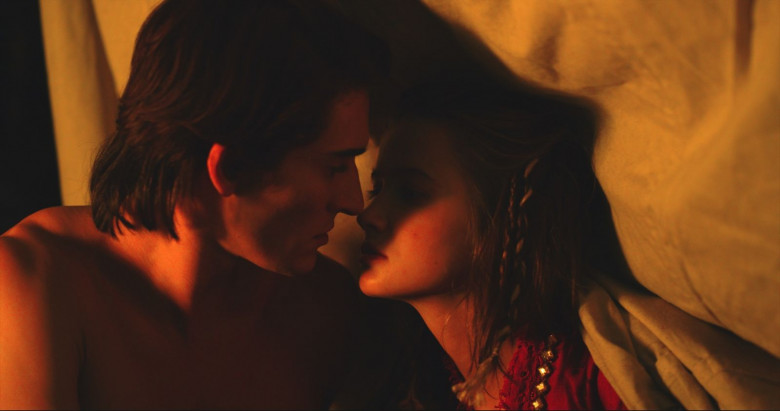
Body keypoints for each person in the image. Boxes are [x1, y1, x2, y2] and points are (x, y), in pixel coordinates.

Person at [0, 0, 388, 408]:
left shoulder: (323, 309)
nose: (353, 202)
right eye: (334, 167)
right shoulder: (38, 285)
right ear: (231, 168)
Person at [357, 77, 626, 410]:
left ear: (502, 214)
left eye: (411, 193)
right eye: (377, 190)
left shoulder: (597, 386)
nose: (368, 215)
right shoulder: (411, 379)